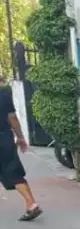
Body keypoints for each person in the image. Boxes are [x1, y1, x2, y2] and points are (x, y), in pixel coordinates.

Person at [0, 77, 41, 221]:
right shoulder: (4, 94)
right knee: (13, 171)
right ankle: (31, 204)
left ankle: (31, 204)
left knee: (12, 173)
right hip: (4, 138)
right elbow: (12, 118)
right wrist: (21, 137)